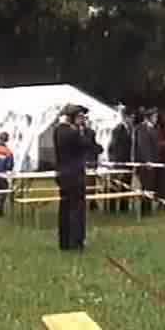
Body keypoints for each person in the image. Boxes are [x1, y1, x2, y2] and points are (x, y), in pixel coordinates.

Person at [53, 105, 100, 251]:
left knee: (65, 208)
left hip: (63, 174)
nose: (82, 120)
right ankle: (76, 241)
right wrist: (83, 130)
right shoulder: (73, 133)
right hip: (75, 175)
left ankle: (64, 241)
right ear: (72, 117)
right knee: (77, 208)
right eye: (80, 117)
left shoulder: (58, 130)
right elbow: (88, 144)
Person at [134, 108, 159, 217]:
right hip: (145, 163)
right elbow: (143, 146)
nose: (156, 119)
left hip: (153, 162)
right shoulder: (142, 128)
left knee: (150, 186)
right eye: (154, 117)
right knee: (145, 186)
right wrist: (147, 160)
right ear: (149, 117)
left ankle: (149, 208)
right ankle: (144, 210)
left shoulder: (153, 128)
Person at [108, 109, 134, 212]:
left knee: (126, 184)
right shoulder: (117, 129)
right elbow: (113, 146)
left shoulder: (131, 129)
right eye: (130, 117)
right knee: (115, 185)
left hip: (128, 161)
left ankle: (124, 207)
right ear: (125, 117)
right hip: (118, 161)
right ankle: (112, 207)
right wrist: (114, 162)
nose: (132, 119)